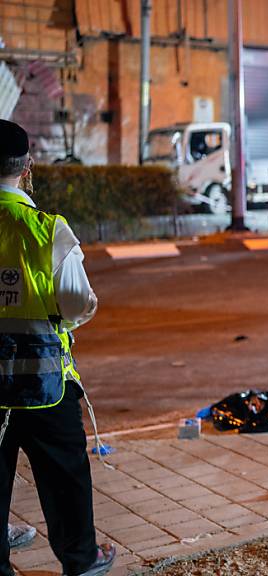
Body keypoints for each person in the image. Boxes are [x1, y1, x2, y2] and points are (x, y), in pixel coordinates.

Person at [0, 120, 116, 576]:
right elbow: (78, 304)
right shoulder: (48, 231)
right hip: (44, 387)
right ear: (27, 168)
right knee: (64, 476)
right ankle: (80, 561)